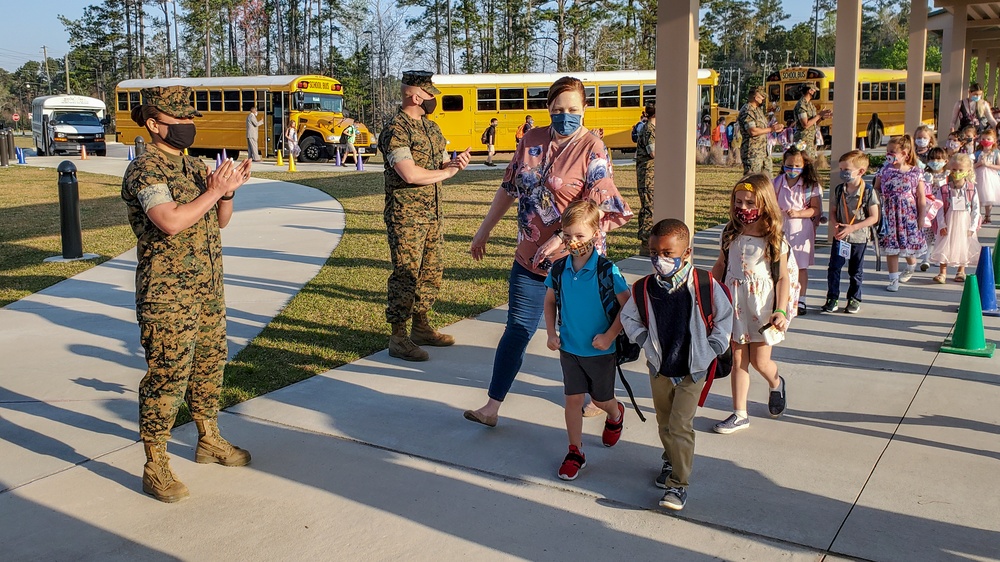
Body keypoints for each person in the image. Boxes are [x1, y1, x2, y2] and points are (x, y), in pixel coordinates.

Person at [463, 76, 632, 427]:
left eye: (572, 110)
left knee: (582, 333)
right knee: (517, 329)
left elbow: (602, 204)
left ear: (584, 109)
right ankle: (492, 407)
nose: (565, 115)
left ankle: (598, 396)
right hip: (530, 258)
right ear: (548, 109)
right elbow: (509, 188)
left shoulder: (593, 148)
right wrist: (483, 231)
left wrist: (562, 238)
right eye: (558, 109)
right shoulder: (532, 140)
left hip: (577, 262)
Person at [121, 86, 253, 503]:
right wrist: (213, 191)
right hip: (167, 293)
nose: (188, 127)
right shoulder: (146, 169)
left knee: (210, 365)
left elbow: (220, 221)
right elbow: (170, 221)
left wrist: (227, 190)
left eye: (190, 120)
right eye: (179, 121)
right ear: (154, 124)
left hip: (207, 287)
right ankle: (155, 462)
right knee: (167, 375)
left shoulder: (195, 166)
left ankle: (208, 438)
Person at [620, 218, 733, 511]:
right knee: (664, 422)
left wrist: (712, 349)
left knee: (681, 424)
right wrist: (644, 340)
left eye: (668, 253)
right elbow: (629, 317)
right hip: (660, 367)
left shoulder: (706, 285)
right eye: (654, 252)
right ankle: (671, 460)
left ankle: (678, 486)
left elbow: (724, 319)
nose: (660, 259)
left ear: (687, 253)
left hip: (693, 369)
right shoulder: (644, 287)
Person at [378, 70, 471, 361]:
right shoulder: (396, 129)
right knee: (406, 275)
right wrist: (446, 172)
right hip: (406, 216)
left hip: (432, 214)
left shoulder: (431, 128)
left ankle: (421, 326)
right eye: (430, 94)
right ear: (416, 96)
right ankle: (398, 336)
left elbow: (442, 161)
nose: (434, 100)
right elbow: (409, 173)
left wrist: (455, 163)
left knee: (430, 272)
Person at [543, 200, 630, 482]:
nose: (573, 242)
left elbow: (628, 306)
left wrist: (609, 336)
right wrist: (551, 334)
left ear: (595, 232)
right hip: (569, 348)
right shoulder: (559, 270)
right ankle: (575, 451)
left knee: (602, 400)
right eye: (567, 236)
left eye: (579, 235)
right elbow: (550, 301)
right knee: (572, 400)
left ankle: (616, 414)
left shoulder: (607, 271)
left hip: (600, 351)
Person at [711, 174, 790, 435]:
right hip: (735, 304)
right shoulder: (730, 232)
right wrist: (708, 292)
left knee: (760, 361)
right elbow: (722, 265)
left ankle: (776, 382)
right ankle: (740, 413)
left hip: (762, 307)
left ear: (765, 204)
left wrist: (781, 310)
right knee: (737, 358)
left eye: (749, 203)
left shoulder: (774, 238)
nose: (742, 208)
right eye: (738, 201)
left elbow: (782, 279)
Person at [821, 150, 880, 314]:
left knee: (855, 271)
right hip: (841, 236)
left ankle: (854, 298)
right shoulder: (840, 189)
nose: (842, 173)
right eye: (840, 169)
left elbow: (874, 217)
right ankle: (832, 297)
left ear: (861, 171)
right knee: (834, 268)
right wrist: (835, 224)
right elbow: (832, 210)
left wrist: (853, 227)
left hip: (859, 237)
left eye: (846, 170)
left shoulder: (868, 192)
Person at [874, 136, 927, 292]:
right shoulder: (884, 170)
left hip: (907, 214)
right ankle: (893, 280)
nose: (888, 155)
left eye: (892, 152)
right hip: (889, 213)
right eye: (887, 152)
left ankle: (911, 264)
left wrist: (921, 216)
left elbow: (921, 196)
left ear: (904, 153)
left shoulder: (915, 172)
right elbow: (876, 189)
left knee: (907, 245)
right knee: (892, 247)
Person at [773, 146, 822, 315]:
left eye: (796, 166)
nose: (792, 170)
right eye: (789, 165)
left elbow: (816, 209)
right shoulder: (777, 182)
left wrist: (799, 213)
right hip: (780, 228)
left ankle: (801, 299)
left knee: (801, 267)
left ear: (804, 165)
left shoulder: (810, 186)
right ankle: (781, 298)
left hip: (800, 231)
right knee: (780, 265)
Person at [930, 153, 982, 283]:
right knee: (945, 244)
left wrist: (973, 227)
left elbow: (976, 209)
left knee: (963, 245)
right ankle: (942, 272)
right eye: (954, 169)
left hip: (964, 222)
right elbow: (940, 208)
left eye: (960, 170)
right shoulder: (944, 189)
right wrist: (942, 224)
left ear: (968, 171)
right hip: (949, 221)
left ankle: (961, 271)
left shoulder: (971, 189)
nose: (957, 172)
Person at [738, 86, 784, 176]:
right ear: (755, 97)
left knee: (768, 181)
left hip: (763, 152)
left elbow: (762, 128)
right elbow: (753, 131)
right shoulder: (748, 111)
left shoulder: (758, 110)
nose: (763, 99)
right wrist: (771, 129)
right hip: (753, 153)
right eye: (762, 96)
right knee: (753, 181)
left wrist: (773, 127)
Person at [920, 147, 950, 272]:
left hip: (943, 209)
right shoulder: (925, 175)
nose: (935, 162)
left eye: (938, 159)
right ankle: (926, 259)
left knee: (940, 234)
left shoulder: (948, 175)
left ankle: (939, 258)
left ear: (945, 160)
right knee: (927, 235)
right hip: (929, 209)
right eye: (932, 159)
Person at [793, 82, 832, 161]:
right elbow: (805, 125)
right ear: (809, 91)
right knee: (804, 161)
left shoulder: (810, 105)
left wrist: (821, 118)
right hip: (803, 139)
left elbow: (813, 123)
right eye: (814, 90)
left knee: (811, 161)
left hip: (810, 140)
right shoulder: (802, 105)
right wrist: (819, 115)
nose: (815, 92)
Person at [636, 102, 656, 256]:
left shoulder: (650, 128)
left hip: (651, 175)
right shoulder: (650, 129)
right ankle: (646, 243)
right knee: (650, 208)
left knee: (649, 208)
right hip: (648, 175)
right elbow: (654, 152)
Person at [974, 127, 1000, 224]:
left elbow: (999, 166)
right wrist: (979, 164)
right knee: (978, 197)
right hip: (978, 176)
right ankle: (977, 216)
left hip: (990, 178)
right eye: (983, 139)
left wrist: (988, 165)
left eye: (988, 139)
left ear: (994, 141)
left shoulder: (996, 153)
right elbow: (971, 166)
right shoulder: (977, 153)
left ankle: (987, 215)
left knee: (989, 196)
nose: (986, 141)